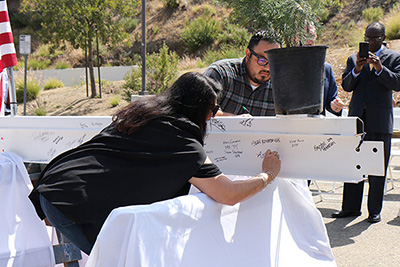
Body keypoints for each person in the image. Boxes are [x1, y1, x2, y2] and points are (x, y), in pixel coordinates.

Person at [29, 72, 281, 255]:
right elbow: (228, 194)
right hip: (74, 204)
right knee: (118, 258)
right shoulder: (184, 144)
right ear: (200, 110)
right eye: (213, 110)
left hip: (55, 182)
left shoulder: (144, 111)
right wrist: (267, 175)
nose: (213, 116)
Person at [332, 22, 400, 223]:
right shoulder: (354, 58)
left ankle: (374, 210)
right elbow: (346, 85)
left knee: (377, 166)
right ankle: (351, 208)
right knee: (353, 165)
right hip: (357, 121)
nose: (370, 42)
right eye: (367, 38)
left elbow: (397, 83)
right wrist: (356, 70)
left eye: (374, 38)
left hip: (380, 120)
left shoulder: (394, 57)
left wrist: (379, 68)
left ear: (383, 38)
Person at [204, 30, 281, 116]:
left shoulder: (280, 87)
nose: (267, 68)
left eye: (273, 61)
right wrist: (238, 121)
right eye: (262, 60)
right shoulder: (220, 74)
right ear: (248, 54)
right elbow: (200, 111)